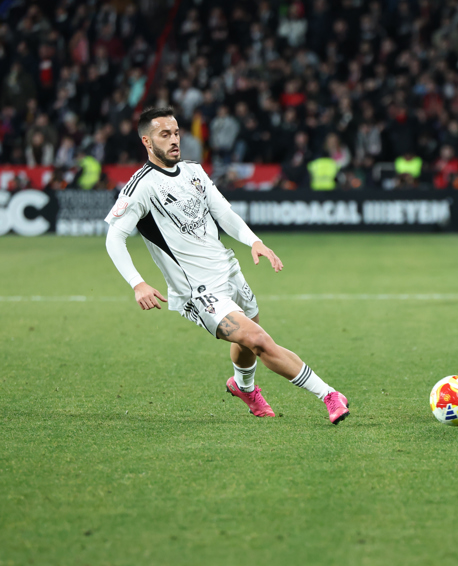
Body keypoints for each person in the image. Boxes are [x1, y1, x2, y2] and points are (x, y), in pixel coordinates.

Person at [104, 107, 350, 423]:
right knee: (258, 339)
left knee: (247, 341)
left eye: (176, 132)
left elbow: (223, 212)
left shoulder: (193, 171)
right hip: (198, 291)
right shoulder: (141, 186)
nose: (175, 140)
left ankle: (243, 387)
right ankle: (329, 395)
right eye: (165, 134)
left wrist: (254, 241)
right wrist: (137, 283)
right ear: (147, 142)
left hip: (229, 270)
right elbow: (115, 237)